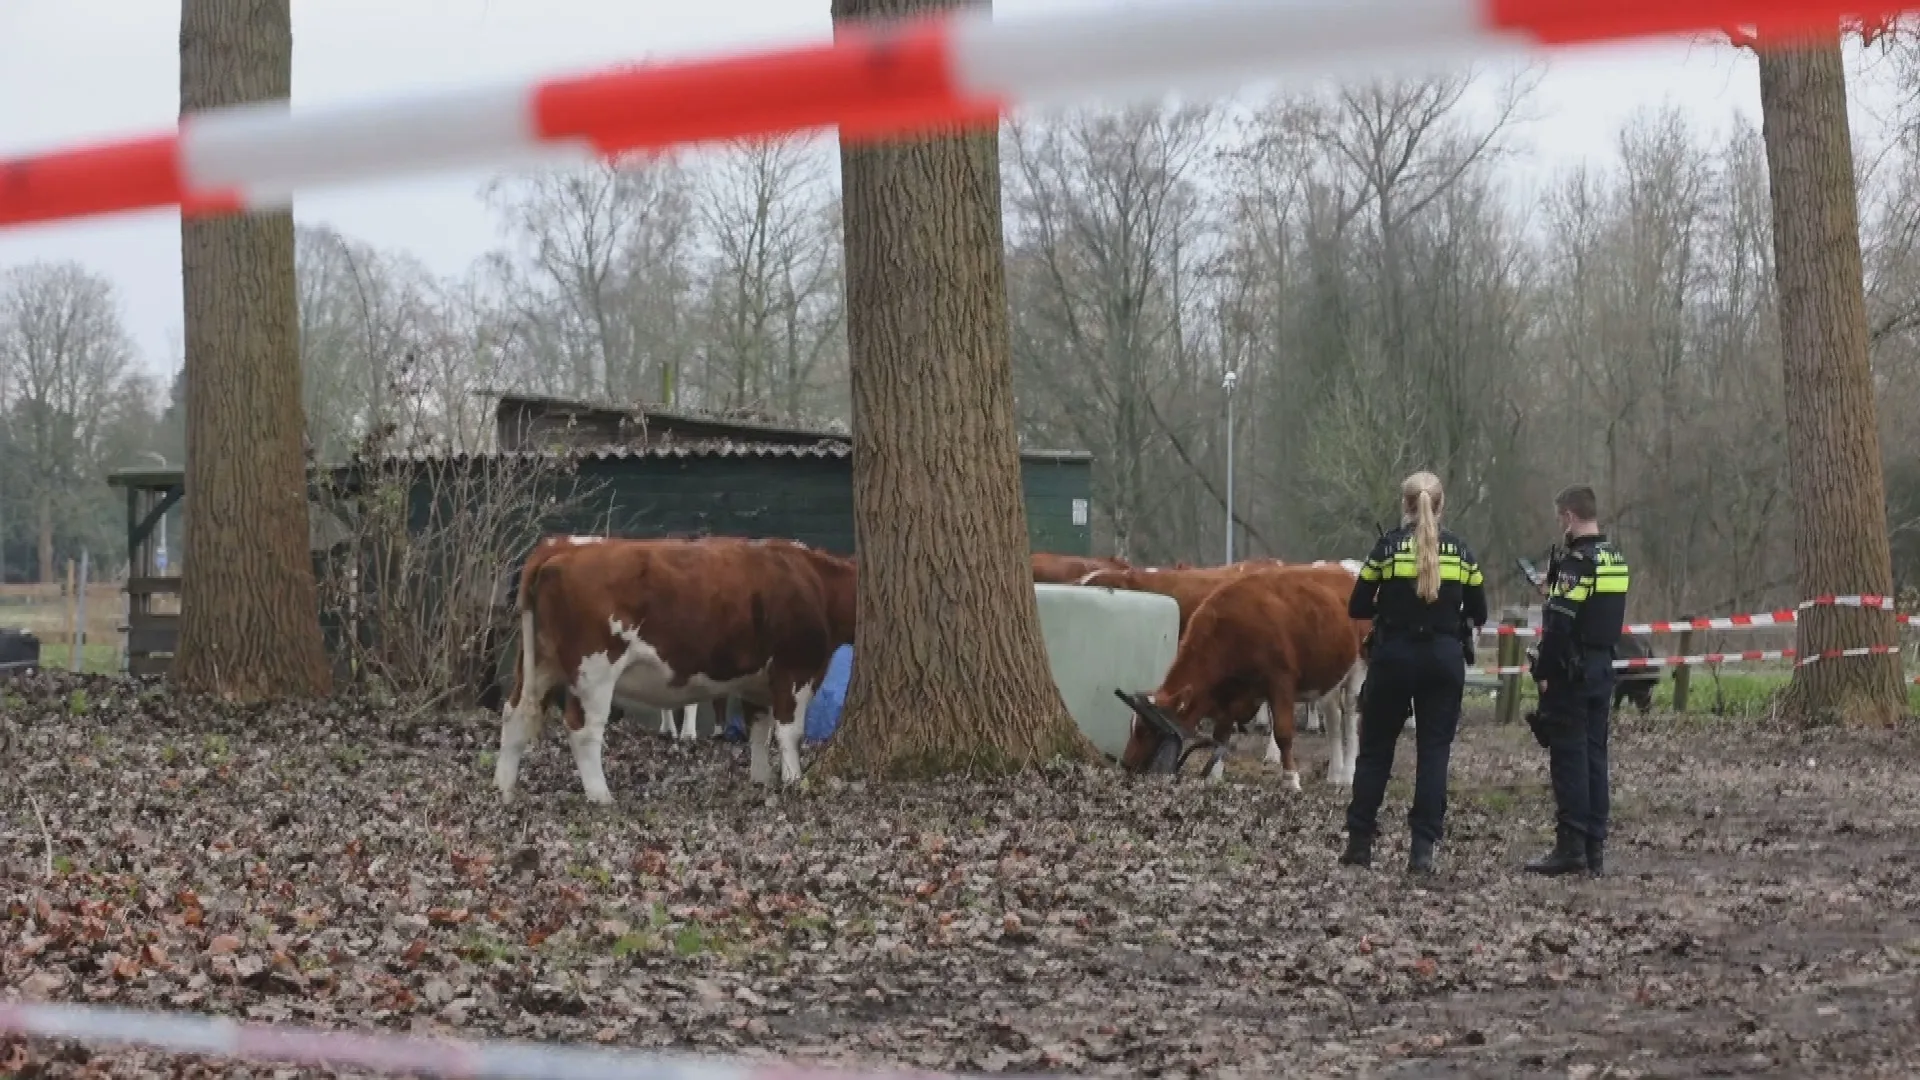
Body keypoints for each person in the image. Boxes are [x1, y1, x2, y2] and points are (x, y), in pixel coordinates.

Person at [1340, 470, 1488, 875]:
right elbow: (1480, 611)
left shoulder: (1386, 549)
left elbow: (1357, 605)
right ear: (1441, 505)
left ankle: (1359, 843)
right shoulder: (1461, 552)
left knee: (1375, 751)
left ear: (1404, 504)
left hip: (1394, 656)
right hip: (1444, 658)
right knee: (1434, 752)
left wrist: (1390, 607)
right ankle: (1422, 850)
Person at [1524, 484, 1631, 878]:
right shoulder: (1614, 558)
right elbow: (1596, 609)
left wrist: (1544, 672)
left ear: (1569, 516)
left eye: (1560, 518)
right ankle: (1594, 846)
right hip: (1603, 667)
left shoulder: (1576, 564)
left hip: (1572, 673)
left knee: (1569, 758)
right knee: (1595, 757)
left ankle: (1570, 847)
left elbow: (1559, 626)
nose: (1560, 526)